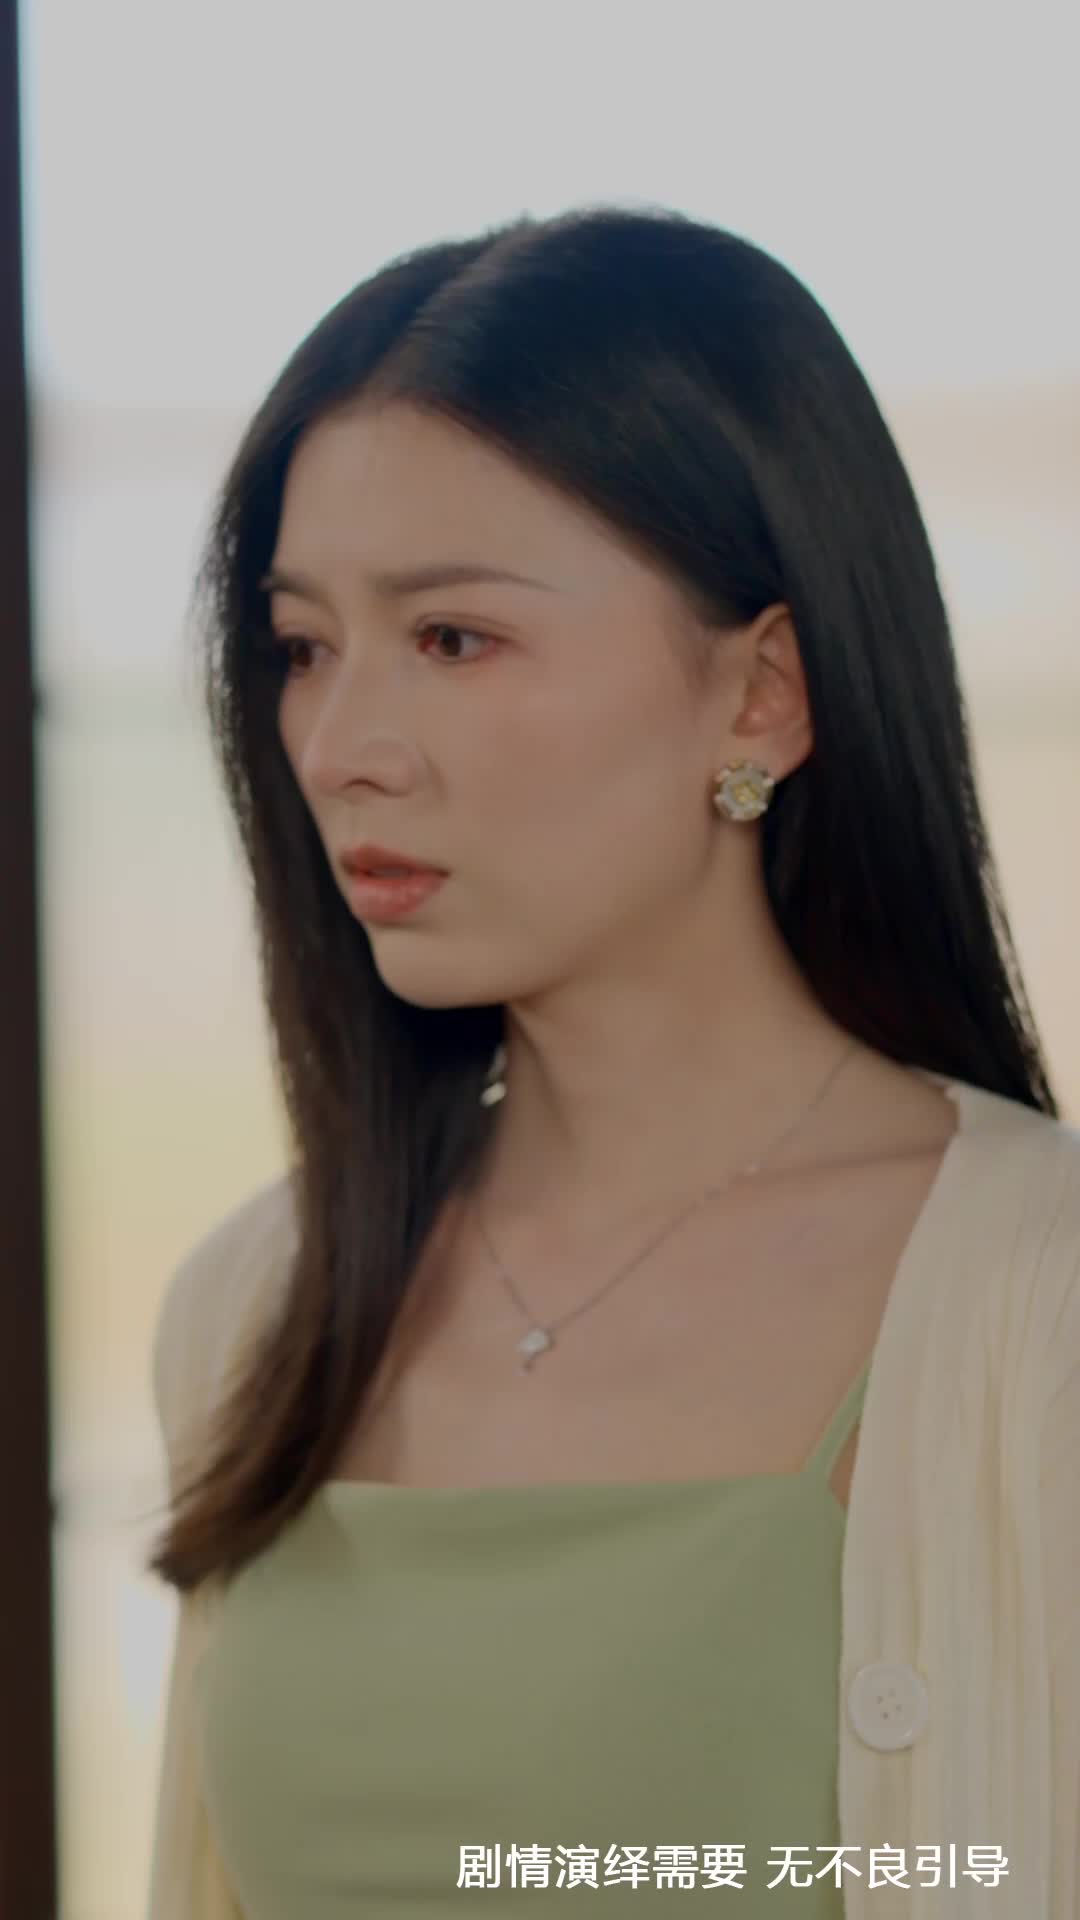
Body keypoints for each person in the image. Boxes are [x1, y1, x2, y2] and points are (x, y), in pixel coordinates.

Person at [143, 204, 1079, 1919]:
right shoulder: (258, 1303)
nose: (340, 747)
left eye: (453, 638)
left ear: (763, 692)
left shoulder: (1036, 1298)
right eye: (302, 647)